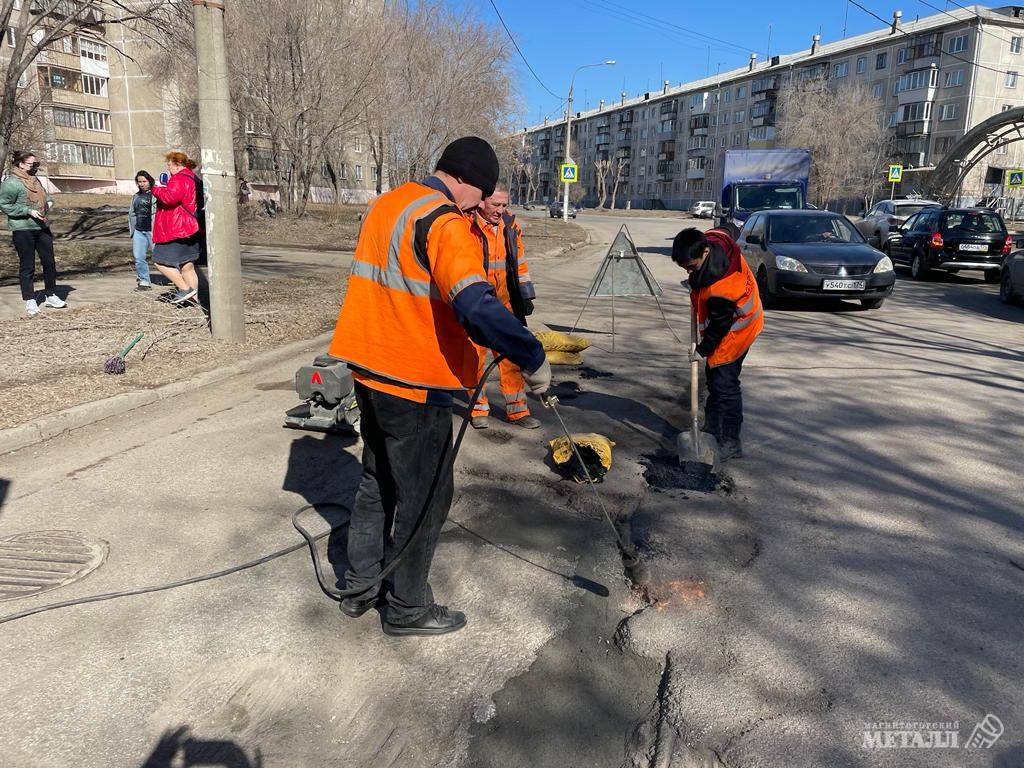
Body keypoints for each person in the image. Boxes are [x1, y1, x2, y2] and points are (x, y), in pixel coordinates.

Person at [328, 136, 550, 637]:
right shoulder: (444, 221)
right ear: (468, 182)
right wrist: (530, 353)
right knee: (425, 496)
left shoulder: (390, 203)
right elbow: (474, 302)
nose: (480, 204)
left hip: (368, 367)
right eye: (483, 191)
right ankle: (407, 608)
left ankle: (359, 587)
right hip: (414, 379)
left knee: (376, 481)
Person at [672, 226, 764, 460]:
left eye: (690, 267)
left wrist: (701, 351)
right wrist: (694, 279)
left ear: (705, 252)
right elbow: (724, 231)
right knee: (714, 378)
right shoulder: (714, 240)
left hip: (737, 329)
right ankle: (710, 430)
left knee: (725, 383)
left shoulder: (721, 288)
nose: (688, 271)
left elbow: (719, 327)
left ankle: (731, 442)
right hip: (727, 320)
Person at [468, 181, 540, 430]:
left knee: (511, 358)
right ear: (481, 201)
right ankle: (478, 409)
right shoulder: (468, 226)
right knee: (474, 358)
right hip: (477, 304)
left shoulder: (510, 226)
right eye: (496, 204)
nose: (500, 210)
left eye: (504, 205)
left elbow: (519, 261)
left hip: (505, 304)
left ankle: (518, 411)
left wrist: (526, 294)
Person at [0, 150, 65, 316]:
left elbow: (47, 196)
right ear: (21, 164)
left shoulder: (35, 181)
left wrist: (49, 202)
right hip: (23, 229)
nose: (35, 166)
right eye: (31, 164)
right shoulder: (11, 183)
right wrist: (27, 211)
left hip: (42, 227)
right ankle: (30, 299)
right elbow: (4, 204)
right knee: (27, 265)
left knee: (49, 263)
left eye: (36, 163)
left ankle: (50, 294)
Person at [151, 151, 202, 304]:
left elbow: (169, 198)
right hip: (192, 228)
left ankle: (184, 289)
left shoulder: (179, 179)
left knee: (159, 261)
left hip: (176, 228)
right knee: (187, 265)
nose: (168, 167)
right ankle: (193, 301)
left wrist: (155, 189)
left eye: (169, 163)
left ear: (176, 164)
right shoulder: (194, 179)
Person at [128, 171, 157, 291]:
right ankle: (144, 281)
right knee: (139, 258)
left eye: (144, 181)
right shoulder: (136, 196)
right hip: (139, 231)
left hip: (153, 231)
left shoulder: (156, 195)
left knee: (161, 258)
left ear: (150, 181)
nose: (141, 184)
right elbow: (132, 213)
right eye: (139, 182)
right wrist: (133, 231)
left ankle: (178, 281)